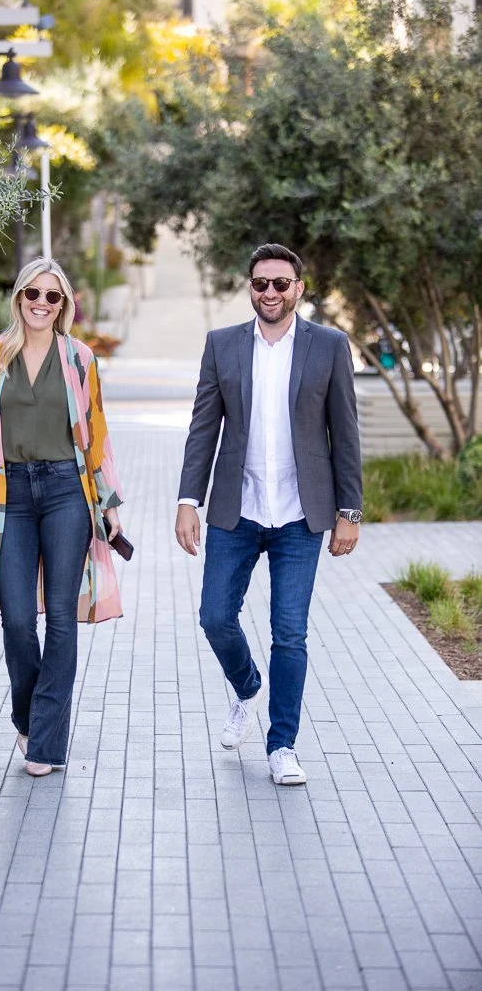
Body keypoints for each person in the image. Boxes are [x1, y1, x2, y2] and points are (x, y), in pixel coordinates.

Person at [175, 243, 362, 785]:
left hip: (302, 516)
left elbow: (345, 434)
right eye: (261, 283)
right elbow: (202, 428)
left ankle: (282, 746)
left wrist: (350, 511)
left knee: (290, 633)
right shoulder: (223, 345)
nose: (271, 293)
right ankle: (248, 687)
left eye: (282, 283)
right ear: (250, 288)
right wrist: (190, 501)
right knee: (214, 617)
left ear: (299, 288)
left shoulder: (328, 346)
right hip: (238, 509)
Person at [0, 257, 124, 778]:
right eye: (33, 294)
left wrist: (109, 502)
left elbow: (95, 431)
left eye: (53, 297)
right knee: (20, 619)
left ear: (64, 305)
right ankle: (28, 716)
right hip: (11, 495)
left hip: (68, 491)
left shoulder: (79, 358)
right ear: (18, 298)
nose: (42, 304)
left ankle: (45, 741)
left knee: (63, 619)